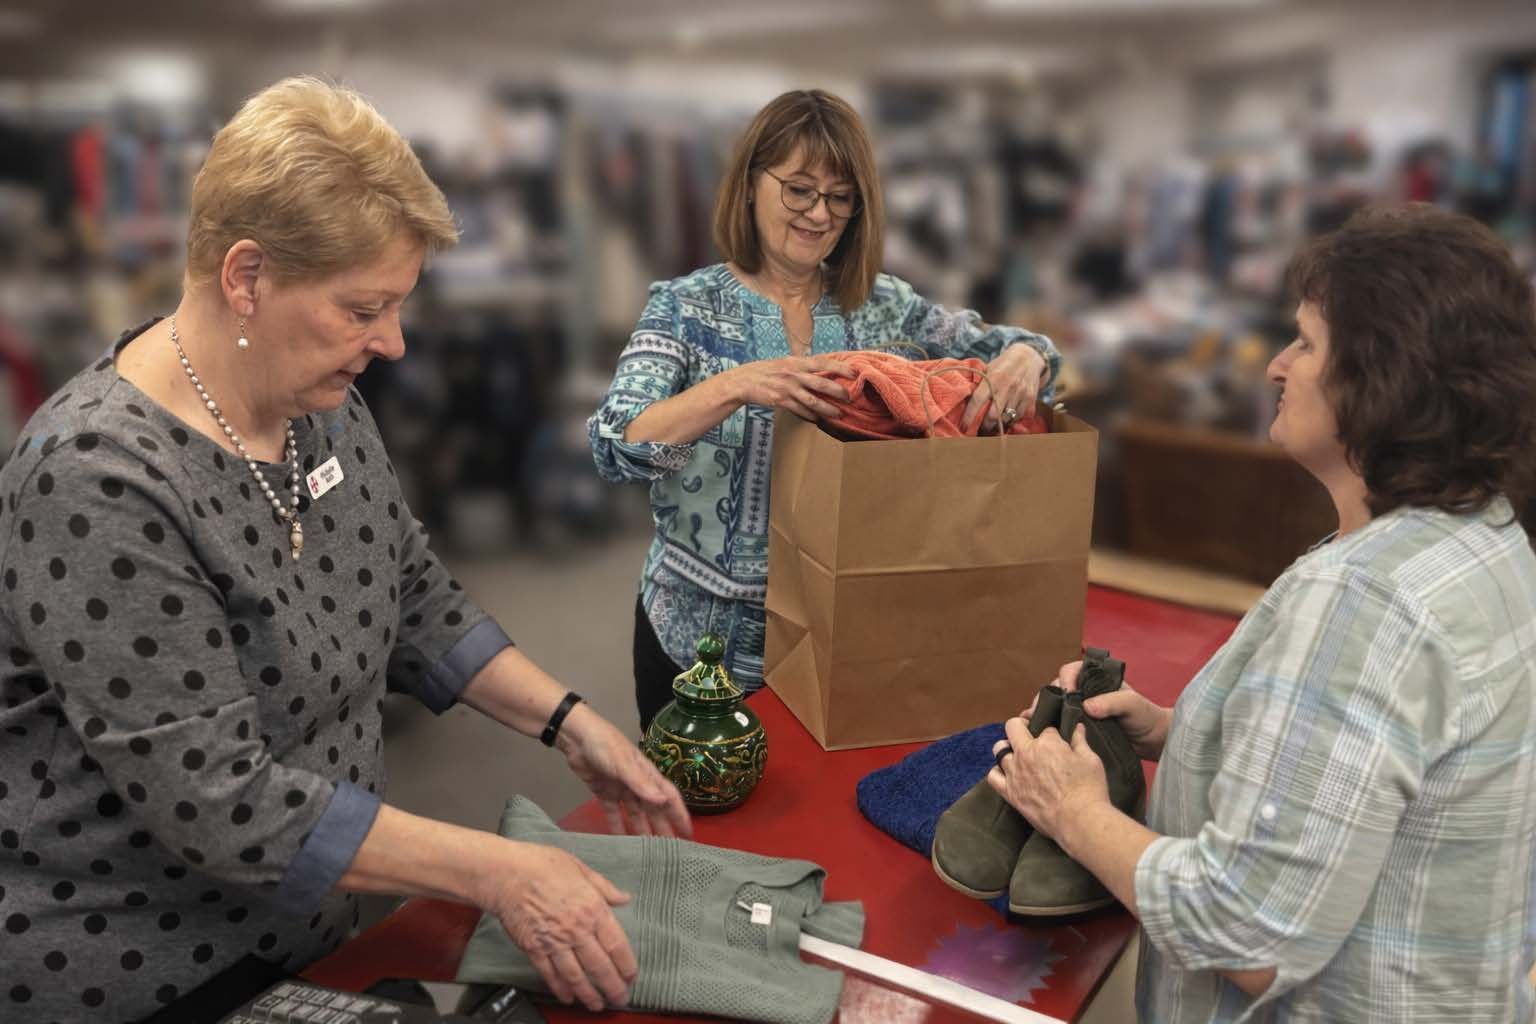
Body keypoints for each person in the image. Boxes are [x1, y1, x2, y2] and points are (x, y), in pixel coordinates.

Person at [0, 77, 689, 1024]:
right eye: (364, 308)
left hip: (325, 930)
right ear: (246, 277)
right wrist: (501, 872)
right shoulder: (97, 477)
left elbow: (410, 593)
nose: (395, 343)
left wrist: (567, 720)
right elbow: (216, 800)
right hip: (147, 969)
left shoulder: (316, 404)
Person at [991, 205, 1536, 1022]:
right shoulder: (1482, 543)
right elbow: (1380, 766)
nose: (1276, 365)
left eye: (1307, 342)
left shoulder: (1366, 597)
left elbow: (1247, 935)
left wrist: (1071, 811)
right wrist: (1180, 730)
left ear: (1382, 375)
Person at [588, 89, 1062, 730]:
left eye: (840, 199)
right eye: (799, 190)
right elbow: (616, 443)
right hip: (695, 644)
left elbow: (1012, 348)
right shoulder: (684, 307)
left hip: (845, 642)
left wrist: (1030, 356)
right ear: (751, 182)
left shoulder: (882, 305)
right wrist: (738, 384)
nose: (818, 215)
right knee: (695, 823)